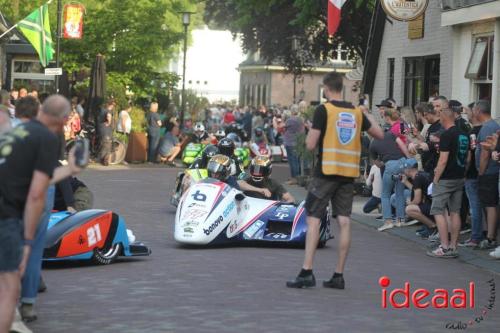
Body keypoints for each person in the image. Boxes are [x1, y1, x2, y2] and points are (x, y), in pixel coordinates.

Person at [286, 71, 383, 289]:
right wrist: (365, 114)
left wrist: (312, 130)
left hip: (326, 172)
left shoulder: (325, 110)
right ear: (343, 88)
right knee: (345, 221)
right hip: (348, 175)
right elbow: (379, 134)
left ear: (327, 89)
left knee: (313, 219)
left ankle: (307, 271)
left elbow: (310, 145)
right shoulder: (356, 113)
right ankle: (338, 275)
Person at [0, 95, 82, 332]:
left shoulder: (16, 133)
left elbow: (24, 177)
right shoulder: (45, 138)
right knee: (8, 288)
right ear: (64, 119)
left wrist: (69, 170)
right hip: (8, 216)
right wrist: (27, 240)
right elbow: (37, 193)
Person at [427, 108, 469, 258]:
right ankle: (453, 247)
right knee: (455, 212)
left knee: (438, 211)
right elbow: (468, 157)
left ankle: (444, 247)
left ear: (444, 118)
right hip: (459, 178)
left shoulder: (446, 135)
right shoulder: (464, 134)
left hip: (445, 179)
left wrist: (436, 179)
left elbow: (443, 160)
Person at [371, 110, 411, 232]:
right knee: (399, 192)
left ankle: (388, 221)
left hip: (390, 165)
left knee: (385, 194)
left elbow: (376, 163)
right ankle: (400, 220)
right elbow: (404, 143)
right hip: (402, 162)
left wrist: (383, 163)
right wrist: (409, 160)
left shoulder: (373, 143)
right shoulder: (398, 128)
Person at [474, 100, 499, 250]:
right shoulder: (494, 125)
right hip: (493, 171)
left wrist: (481, 172)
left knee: (489, 205)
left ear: (478, 111)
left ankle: (490, 237)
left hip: (489, 172)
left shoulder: (486, 128)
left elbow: (484, 153)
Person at [458, 103, 483, 248]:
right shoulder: (487, 129)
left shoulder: (472, 132)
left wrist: (465, 172)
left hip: (473, 174)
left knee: (474, 206)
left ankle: (475, 237)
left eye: (467, 111)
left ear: (474, 113)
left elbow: (469, 156)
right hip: (483, 173)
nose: (466, 114)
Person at [207, 154, 271, 197]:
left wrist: (259, 190)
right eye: (212, 173)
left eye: (217, 174)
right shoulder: (206, 180)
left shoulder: (231, 181)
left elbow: (240, 183)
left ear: (224, 172)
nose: (214, 176)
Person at [402, 159, 436, 238]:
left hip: (434, 207)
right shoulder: (420, 174)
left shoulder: (417, 178)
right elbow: (416, 190)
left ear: (409, 169)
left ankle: (433, 227)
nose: (403, 170)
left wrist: (409, 203)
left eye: (404, 168)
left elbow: (417, 200)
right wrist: (405, 182)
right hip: (434, 204)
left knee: (409, 209)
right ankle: (428, 225)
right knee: (418, 205)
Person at [283, 105, 304, 185]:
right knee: (297, 160)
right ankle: (298, 178)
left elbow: (283, 127)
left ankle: (294, 179)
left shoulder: (290, 120)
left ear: (292, 111)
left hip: (290, 142)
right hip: (298, 142)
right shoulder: (300, 119)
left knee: (292, 161)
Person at [98, 100, 114, 166]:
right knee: (107, 145)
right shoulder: (108, 111)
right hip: (106, 130)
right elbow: (109, 116)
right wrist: (109, 122)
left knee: (103, 144)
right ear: (111, 105)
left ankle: (101, 159)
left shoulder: (102, 110)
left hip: (101, 129)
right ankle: (105, 161)